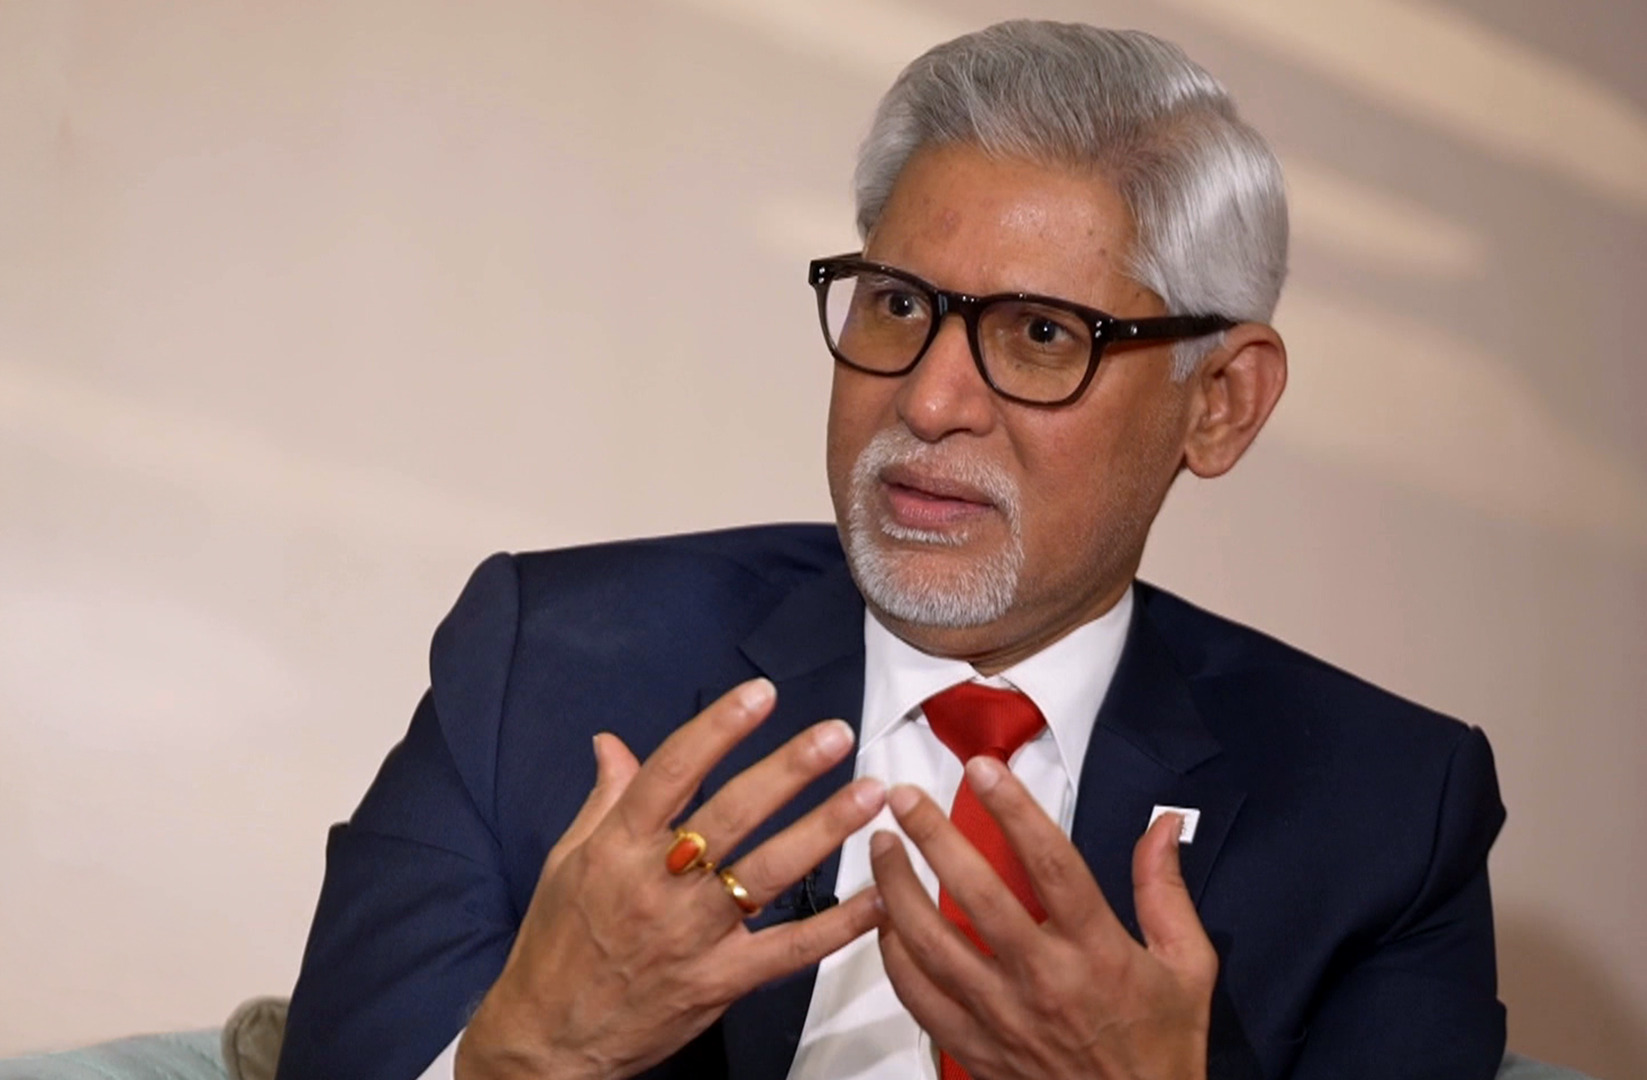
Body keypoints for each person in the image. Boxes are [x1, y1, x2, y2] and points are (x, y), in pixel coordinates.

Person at [278, 20, 1506, 1080]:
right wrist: (519, 1059)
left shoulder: (1382, 813)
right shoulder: (548, 666)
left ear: (1220, 403)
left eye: (1040, 334)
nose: (928, 400)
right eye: (900, 304)